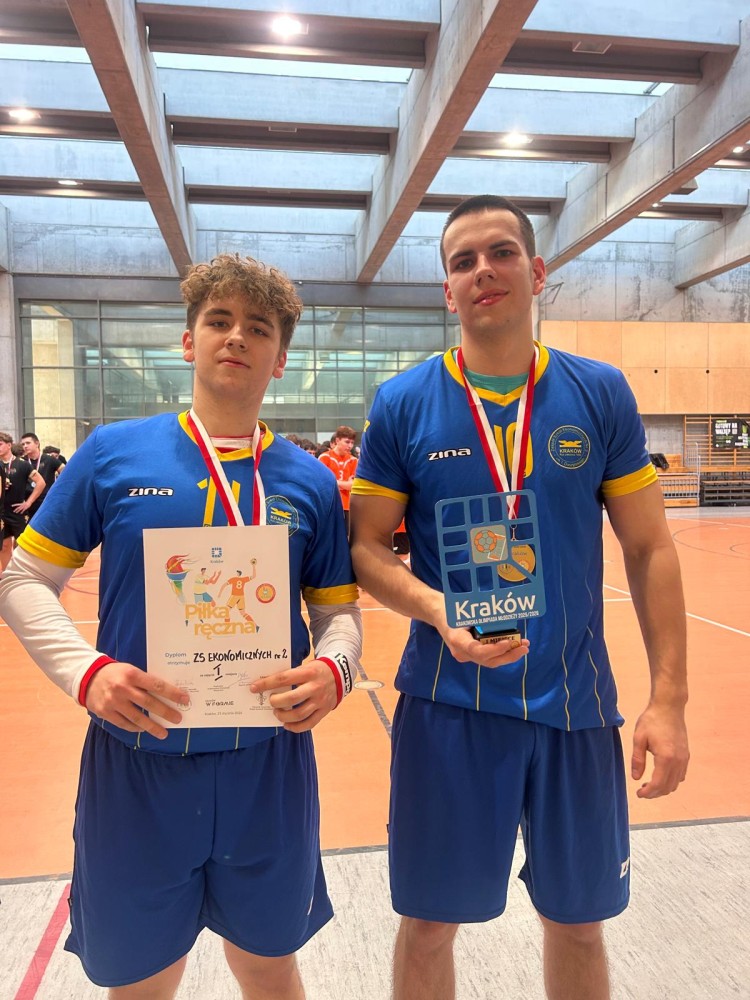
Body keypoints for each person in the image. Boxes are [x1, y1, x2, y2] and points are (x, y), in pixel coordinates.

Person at [349, 195, 689, 1000]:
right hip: (449, 703)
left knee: (579, 922)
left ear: (536, 272)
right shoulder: (403, 402)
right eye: (462, 261)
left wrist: (669, 699)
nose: (483, 271)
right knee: (429, 923)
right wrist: (439, 611)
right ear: (447, 290)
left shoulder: (599, 392)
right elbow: (366, 549)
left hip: (575, 704)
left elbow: (649, 548)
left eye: (501, 253)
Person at [0, 253, 362, 999]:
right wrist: (87, 673)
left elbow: (337, 614)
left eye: (258, 327)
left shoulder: (309, 480)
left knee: (269, 966)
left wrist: (337, 670)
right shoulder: (113, 455)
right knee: (141, 981)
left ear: (281, 358)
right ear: (189, 341)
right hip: (140, 761)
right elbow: (24, 580)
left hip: (269, 765)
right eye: (219, 320)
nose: (237, 337)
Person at [0, 431, 45, 571]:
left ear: (9, 445)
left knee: (20, 545)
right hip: (2, 512)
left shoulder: (23, 464)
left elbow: (41, 483)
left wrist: (28, 502)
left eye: (0, 444)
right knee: (4, 545)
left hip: (18, 511)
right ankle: (7, 574)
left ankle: (21, 573)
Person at [319, 425, 358, 536]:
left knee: (344, 538)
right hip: (328, 505)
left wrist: (333, 481)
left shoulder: (354, 460)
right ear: (337, 440)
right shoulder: (324, 457)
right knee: (328, 537)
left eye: (352, 443)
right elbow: (322, 483)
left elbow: (353, 486)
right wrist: (344, 483)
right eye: (347, 442)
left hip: (346, 506)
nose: (350, 446)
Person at [20, 431, 65, 516]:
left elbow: (65, 472)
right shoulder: (22, 461)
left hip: (47, 502)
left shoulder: (49, 459)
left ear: (37, 443)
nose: (25, 446)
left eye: (28, 443)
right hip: (28, 502)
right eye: (23, 444)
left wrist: (59, 490)